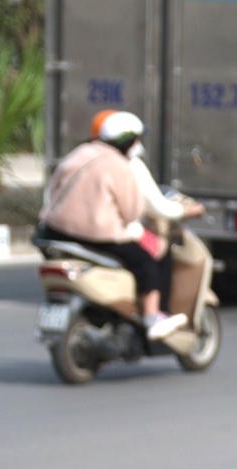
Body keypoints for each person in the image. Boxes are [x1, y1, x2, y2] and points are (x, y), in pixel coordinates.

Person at [39, 111, 185, 340]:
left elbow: (52, 190)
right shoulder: (119, 165)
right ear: (130, 141)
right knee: (146, 261)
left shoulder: (78, 153)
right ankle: (152, 316)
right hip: (96, 236)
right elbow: (132, 212)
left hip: (55, 231)